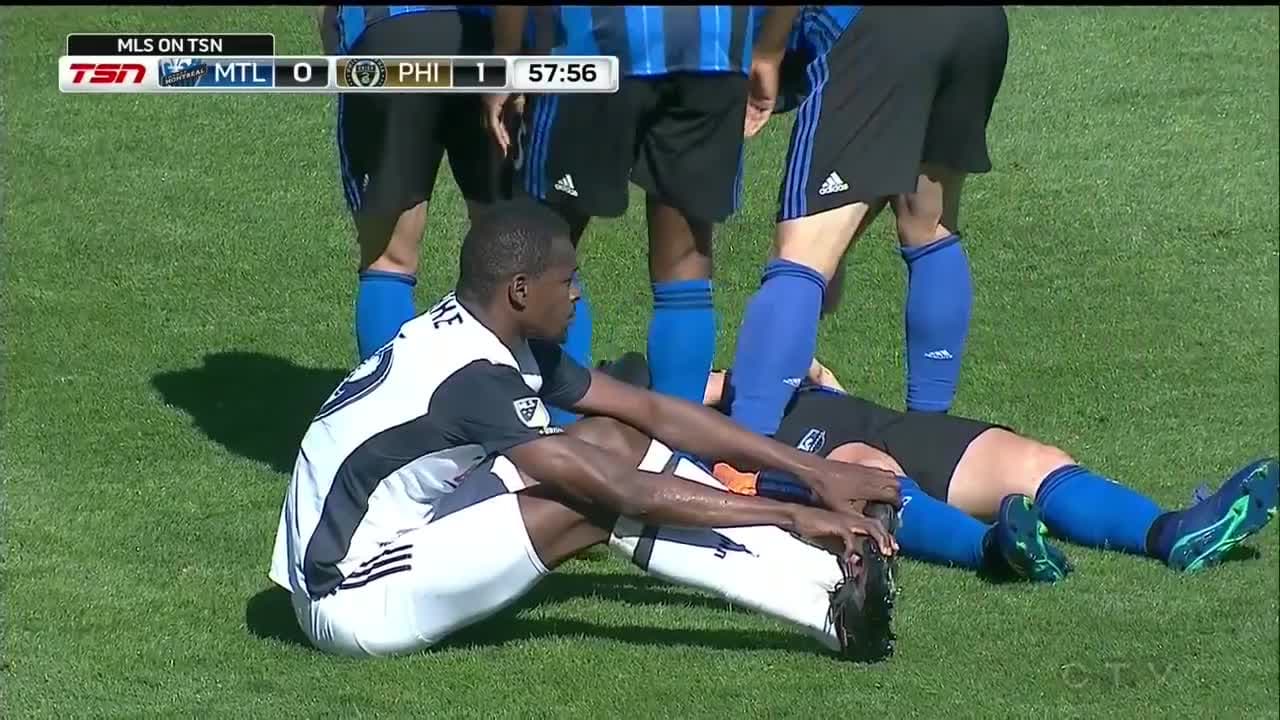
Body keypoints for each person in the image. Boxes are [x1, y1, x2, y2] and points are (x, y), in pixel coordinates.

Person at [268, 201, 906, 662]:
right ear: (520, 290)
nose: (576, 294)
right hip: (349, 596)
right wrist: (793, 513)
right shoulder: (473, 378)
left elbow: (650, 413)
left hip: (398, 529)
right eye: (566, 281)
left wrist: (812, 471)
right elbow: (624, 492)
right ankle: (831, 615)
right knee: (594, 500)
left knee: (613, 438)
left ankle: (833, 571)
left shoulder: (486, 328)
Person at [661, 355, 1276, 580]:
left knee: (1034, 461)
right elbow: (682, 404)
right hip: (798, 453)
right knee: (867, 473)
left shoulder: (743, 370)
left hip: (871, 417)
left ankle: (1171, 533)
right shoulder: (660, 412)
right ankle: (997, 551)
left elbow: (801, 364)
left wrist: (792, 365)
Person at [483, 6, 778, 422]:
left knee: (542, 245)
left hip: (595, 43)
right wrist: (769, 52)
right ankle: (680, 445)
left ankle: (558, 431)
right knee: (685, 264)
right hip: (715, 46)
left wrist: (505, 61)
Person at [728, 6, 1011, 439]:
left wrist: (766, 55)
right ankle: (928, 437)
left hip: (877, 25)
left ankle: (741, 456)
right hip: (978, 23)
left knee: (800, 258)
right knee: (929, 228)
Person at [324, 5, 505, 360]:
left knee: (388, 258)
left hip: (389, 39)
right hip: (486, 38)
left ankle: (392, 393)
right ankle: (544, 392)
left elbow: (328, 18)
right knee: (523, 247)